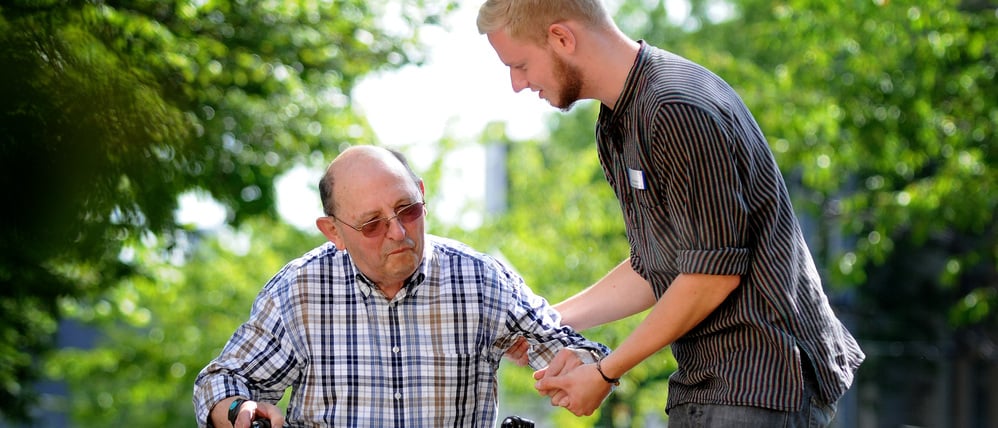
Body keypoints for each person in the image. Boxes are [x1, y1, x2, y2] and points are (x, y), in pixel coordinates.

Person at [477, 0, 865, 426]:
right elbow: (657, 266)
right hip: (711, 384)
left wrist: (605, 372)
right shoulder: (618, 123)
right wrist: (543, 323)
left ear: (561, 38)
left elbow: (711, 275)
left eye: (519, 65)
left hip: (760, 383)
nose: (516, 84)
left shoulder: (675, 105)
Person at [192, 145, 610, 428]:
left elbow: (574, 350)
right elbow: (220, 380)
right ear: (334, 232)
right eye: (372, 224)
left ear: (422, 194)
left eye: (408, 209)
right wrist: (239, 408)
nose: (398, 232)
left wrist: (582, 369)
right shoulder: (299, 291)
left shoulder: (480, 280)